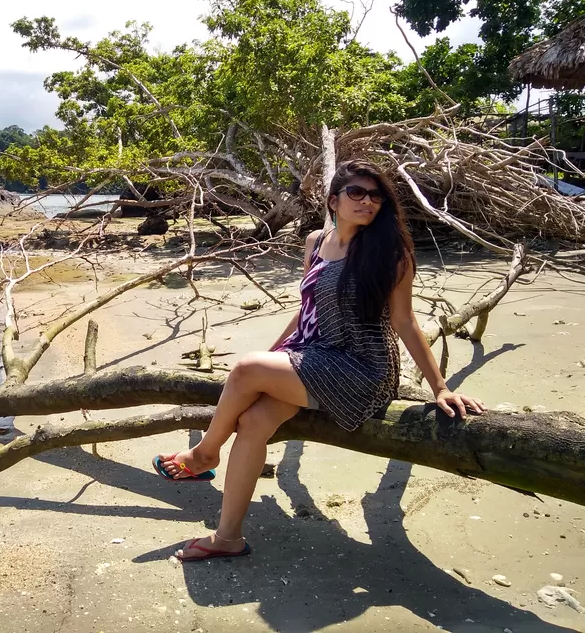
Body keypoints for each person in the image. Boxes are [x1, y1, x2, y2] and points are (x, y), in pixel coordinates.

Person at [154, 159, 487, 562]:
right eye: (357, 193)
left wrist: (440, 387)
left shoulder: (390, 253)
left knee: (245, 368)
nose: (368, 201)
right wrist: (274, 357)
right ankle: (228, 538)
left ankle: (204, 454)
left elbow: (405, 321)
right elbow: (306, 308)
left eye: (376, 196)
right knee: (253, 421)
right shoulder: (316, 241)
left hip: (361, 367)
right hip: (311, 354)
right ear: (334, 200)